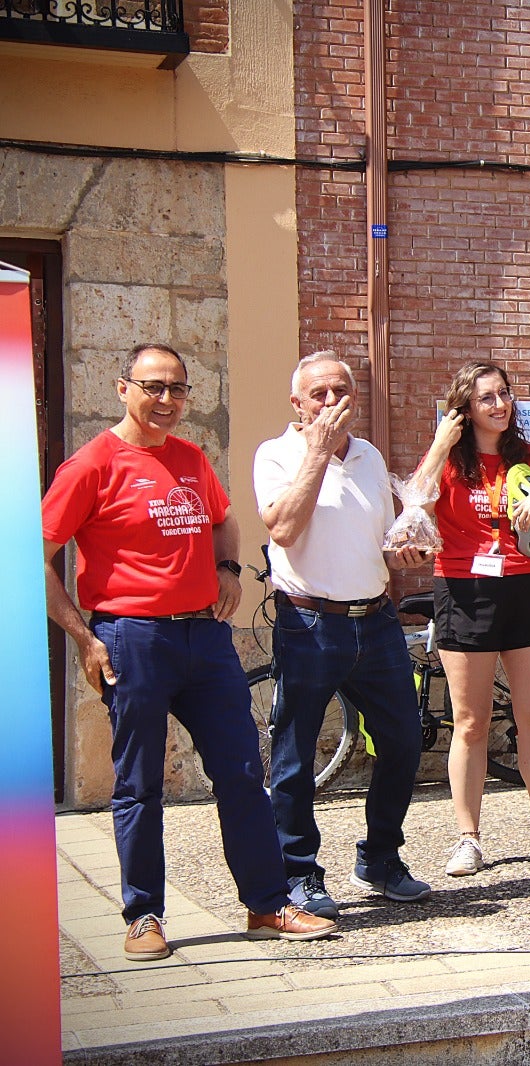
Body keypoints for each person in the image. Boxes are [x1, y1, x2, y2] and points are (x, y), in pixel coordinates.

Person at [42, 342, 335, 962]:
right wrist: (84, 636)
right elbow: (33, 558)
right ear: (123, 388)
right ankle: (144, 915)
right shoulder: (92, 465)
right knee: (139, 783)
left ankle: (267, 903)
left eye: (177, 389)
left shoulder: (190, 458)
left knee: (241, 772)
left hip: (205, 638)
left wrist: (227, 565)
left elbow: (223, 518)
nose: (167, 400)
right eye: (153, 387)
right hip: (132, 637)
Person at [253, 352, 432, 917]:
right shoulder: (277, 454)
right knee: (294, 755)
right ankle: (299, 873)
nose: (332, 404)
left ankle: (380, 857)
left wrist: (406, 549)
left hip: (375, 621)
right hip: (309, 623)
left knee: (404, 740)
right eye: (320, 395)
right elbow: (282, 526)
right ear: (297, 404)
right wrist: (315, 453)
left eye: (341, 394)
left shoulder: (371, 457)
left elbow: (381, 540)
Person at [412, 361, 530, 876]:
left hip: (526, 587)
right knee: (469, 722)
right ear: (465, 410)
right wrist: (440, 445)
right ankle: (468, 838)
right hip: (465, 589)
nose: (498, 405)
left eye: (504, 394)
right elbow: (413, 503)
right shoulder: (450, 460)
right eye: (485, 398)